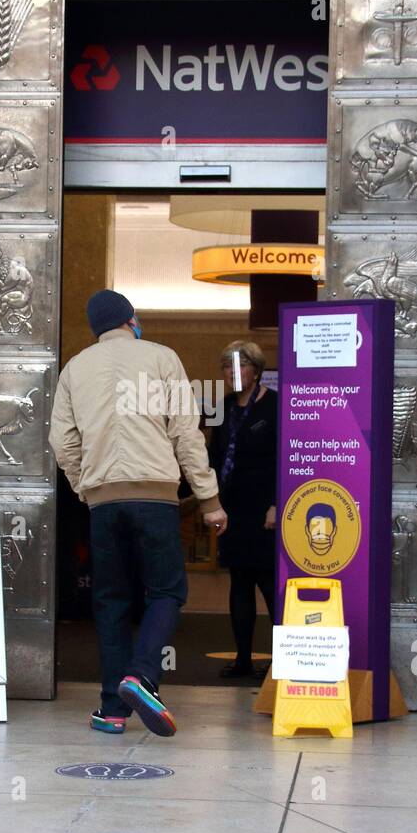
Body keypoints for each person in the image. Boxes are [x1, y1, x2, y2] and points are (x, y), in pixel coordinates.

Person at [49, 290, 227, 737]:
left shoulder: (75, 369)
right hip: (156, 498)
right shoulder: (163, 358)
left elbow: (62, 443)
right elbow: (187, 434)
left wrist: (85, 488)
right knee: (166, 591)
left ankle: (112, 709)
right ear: (132, 319)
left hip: (104, 501)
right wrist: (209, 499)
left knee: (110, 601)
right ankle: (143, 675)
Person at [208, 341, 278, 678]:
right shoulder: (221, 407)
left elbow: (285, 460)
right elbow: (212, 457)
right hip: (231, 508)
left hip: (265, 508)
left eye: (240, 366)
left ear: (256, 369)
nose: (232, 374)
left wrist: (277, 504)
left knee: (269, 584)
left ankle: (283, 660)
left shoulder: (275, 406)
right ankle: (244, 659)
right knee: (239, 583)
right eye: (226, 367)